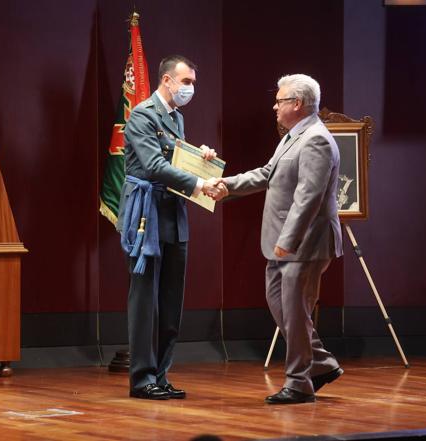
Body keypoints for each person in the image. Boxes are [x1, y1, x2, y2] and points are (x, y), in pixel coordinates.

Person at [210, 74, 344, 404]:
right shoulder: (292, 137)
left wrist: (289, 239)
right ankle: (322, 363)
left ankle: (299, 383)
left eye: (280, 100)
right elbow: (267, 174)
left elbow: (308, 198)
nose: (275, 106)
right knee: (282, 306)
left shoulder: (316, 140)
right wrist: (227, 185)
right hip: (281, 242)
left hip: (303, 244)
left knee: (295, 312)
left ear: (296, 104)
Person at [117, 55, 224, 400]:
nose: (190, 88)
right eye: (186, 81)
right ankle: (142, 378)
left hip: (172, 212)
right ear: (167, 80)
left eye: (193, 83)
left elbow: (176, 159)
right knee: (145, 298)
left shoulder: (175, 117)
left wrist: (201, 158)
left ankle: (161, 375)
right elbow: (153, 165)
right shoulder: (143, 116)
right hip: (146, 213)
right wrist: (198, 182)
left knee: (171, 299)